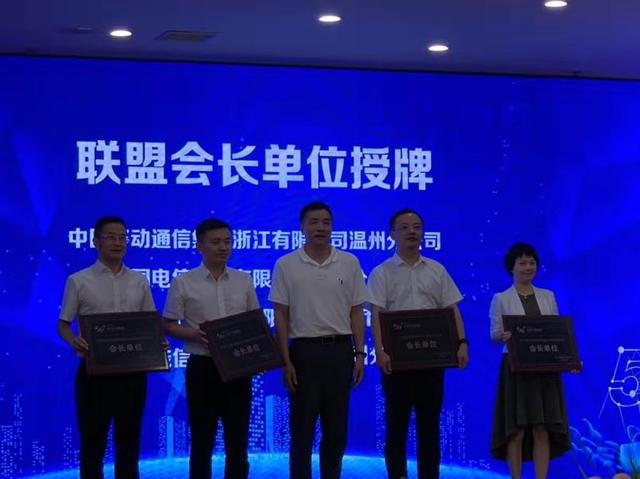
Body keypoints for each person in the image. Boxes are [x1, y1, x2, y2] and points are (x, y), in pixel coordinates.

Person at [269, 201, 368, 479]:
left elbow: (356, 312)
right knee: (302, 431)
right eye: (313, 222)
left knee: (336, 431)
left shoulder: (349, 262)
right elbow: (281, 315)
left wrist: (360, 355)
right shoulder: (286, 264)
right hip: (303, 353)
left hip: (340, 352)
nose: (320, 227)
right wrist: (285, 361)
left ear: (332, 227)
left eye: (326, 222)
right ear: (302, 227)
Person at [368, 208, 469, 479]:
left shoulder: (437, 270)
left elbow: (452, 310)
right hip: (397, 363)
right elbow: (376, 314)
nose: (411, 232)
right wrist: (380, 351)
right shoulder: (381, 272)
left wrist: (462, 343)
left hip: (432, 361)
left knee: (429, 428)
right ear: (392, 234)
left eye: (417, 227)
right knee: (396, 428)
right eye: (404, 227)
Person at [56, 216, 156, 479]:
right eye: (111, 237)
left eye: (122, 238)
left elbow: (148, 322)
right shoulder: (78, 280)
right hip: (94, 374)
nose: (118, 243)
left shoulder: (139, 281)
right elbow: (63, 324)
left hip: (132, 375)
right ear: (96, 242)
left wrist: (156, 343)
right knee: (93, 444)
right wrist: (73, 340)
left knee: (129, 445)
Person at [163, 218, 259, 479]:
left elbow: (254, 322)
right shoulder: (183, 282)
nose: (223, 247)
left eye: (227, 241)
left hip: (237, 368)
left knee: (237, 441)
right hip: (202, 367)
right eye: (216, 242)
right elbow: (168, 324)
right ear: (199, 246)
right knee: (202, 440)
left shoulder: (243, 280)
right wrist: (193, 334)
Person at [489, 242, 571, 479]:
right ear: (512, 268)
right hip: (515, 367)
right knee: (516, 430)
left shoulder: (548, 296)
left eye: (532, 263)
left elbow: (556, 331)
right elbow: (494, 335)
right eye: (522, 263)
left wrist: (570, 359)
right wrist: (503, 335)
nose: (528, 267)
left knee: (542, 428)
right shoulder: (500, 298)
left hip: (544, 367)